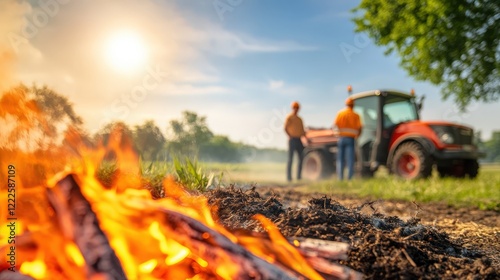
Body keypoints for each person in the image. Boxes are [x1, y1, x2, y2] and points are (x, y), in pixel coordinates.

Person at [334, 97, 362, 180]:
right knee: (350, 159)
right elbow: (360, 128)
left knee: (340, 159)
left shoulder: (340, 114)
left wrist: (339, 133)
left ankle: (340, 178)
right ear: (353, 105)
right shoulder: (356, 115)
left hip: (341, 138)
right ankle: (349, 178)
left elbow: (335, 124)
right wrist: (358, 135)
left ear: (346, 104)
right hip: (350, 139)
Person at [284, 101, 306, 182]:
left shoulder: (300, 119)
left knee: (301, 158)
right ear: (293, 108)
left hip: (299, 140)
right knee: (290, 159)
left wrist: (306, 137)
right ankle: (289, 178)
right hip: (292, 139)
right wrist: (289, 136)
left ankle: (299, 177)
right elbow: (285, 128)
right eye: (295, 108)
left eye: (297, 108)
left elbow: (303, 131)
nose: (296, 109)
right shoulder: (289, 117)